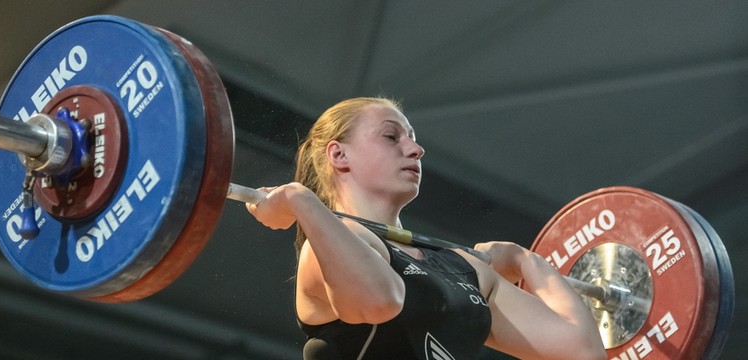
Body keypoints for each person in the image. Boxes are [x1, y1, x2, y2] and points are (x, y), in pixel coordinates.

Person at [245, 97, 606, 359]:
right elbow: (380, 301)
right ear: (339, 156)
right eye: (392, 137)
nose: (416, 149)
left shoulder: (464, 267)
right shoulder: (325, 252)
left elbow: (581, 351)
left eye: (413, 138)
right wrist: (300, 201)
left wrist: (526, 260)